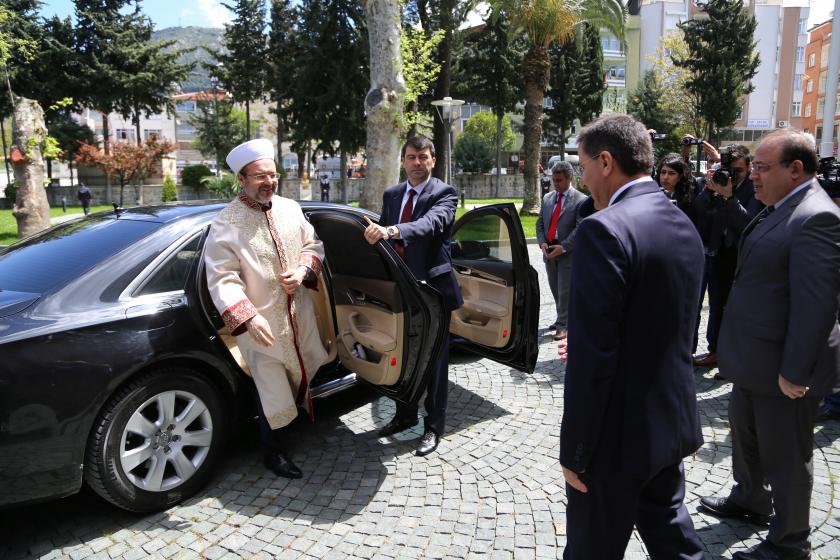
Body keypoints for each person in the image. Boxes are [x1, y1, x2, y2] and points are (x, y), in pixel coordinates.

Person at [559, 114, 705, 560]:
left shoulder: (603, 230)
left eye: (583, 166)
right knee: (672, 537)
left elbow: (593, 356)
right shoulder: (681, 222)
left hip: (616, 440)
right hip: (668, 422)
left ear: (606, 162)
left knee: (591, 549)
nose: (582, 178)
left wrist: (575, 451)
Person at [700, 129, 840, 560]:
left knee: (786, 458)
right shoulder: (778, 206)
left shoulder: (817, 216)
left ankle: (789, 543)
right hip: (753, 361)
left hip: (784, 369)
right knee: (745, 437)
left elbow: (817, 307)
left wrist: (795, 372)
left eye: (761, 168)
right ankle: (750, 499)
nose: (753, 176)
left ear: (796, 169)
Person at [204, 139, 328, 479]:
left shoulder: (290, 208)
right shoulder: (225, 223)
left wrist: (304, 270)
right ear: (240, 180)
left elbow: (312, 244)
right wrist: (248, 316)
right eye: (260, 176)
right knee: (271, 388)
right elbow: (222, 278)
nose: (269, 183)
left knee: (298, 373)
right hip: (263, 324)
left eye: (272, 175)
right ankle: (273, 451)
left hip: (298, 315)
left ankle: (297, 424)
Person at [363, 135, 462, 457]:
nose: (417, 163)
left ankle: (433, 427)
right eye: (411, 157)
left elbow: (430, 225)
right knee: (404, 358)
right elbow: (381, 232)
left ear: (433, 160)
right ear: (403, 161)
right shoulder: (392, 195)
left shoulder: (444, 193)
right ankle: (404, 415)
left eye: (423, 157)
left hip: (432, 292)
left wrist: (393, 230)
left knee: (434, 363)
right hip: (400, 291)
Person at [691, 141, 763, 367]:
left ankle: (729, 355)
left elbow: (747, 223)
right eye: (730, 169)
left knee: (734, 308)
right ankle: (715, 350)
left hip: (740, 256)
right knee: (716, 303)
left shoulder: (754, 188)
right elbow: (699, 209)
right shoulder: (718, 182)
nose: (734, 174)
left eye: (738, 170)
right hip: (716, 251)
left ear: (749, 167)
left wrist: (730, 196)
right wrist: (710, 190)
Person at [535, 161, 588, 340]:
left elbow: (580, 228)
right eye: (553, 180)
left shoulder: (581, 200)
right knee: (555, 289)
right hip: (549, 252)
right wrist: (542, 242)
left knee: (565, 290)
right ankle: (562, 317)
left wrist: (563, 247)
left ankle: (563, 325)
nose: (555, 184)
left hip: (567, 254)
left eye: (558, 180)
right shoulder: (548, 198)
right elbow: (540, 223)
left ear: (569, 178)